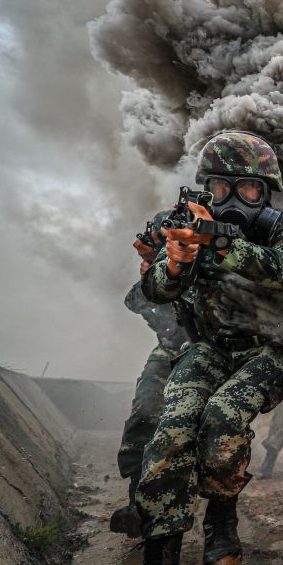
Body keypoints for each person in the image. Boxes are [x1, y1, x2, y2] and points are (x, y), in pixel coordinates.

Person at [98, 131, 283, 565]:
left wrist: (219, 240)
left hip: (268, 348)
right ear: (204, 189)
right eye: (221, 188)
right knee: (169, 433)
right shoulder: (183, 227)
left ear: (267, 192)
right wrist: (177, 257)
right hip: (208, 347)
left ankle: (222, 519)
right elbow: (155, 290)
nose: (235, 200)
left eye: (249, 190)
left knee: (223, 418)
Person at [109, 213, 189, 537]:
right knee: (144, 413)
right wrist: (153, 272)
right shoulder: (157, 269)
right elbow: (133, 301)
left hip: (205, 349)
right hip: (169, 349)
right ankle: (137, 503)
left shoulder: (199, 260)